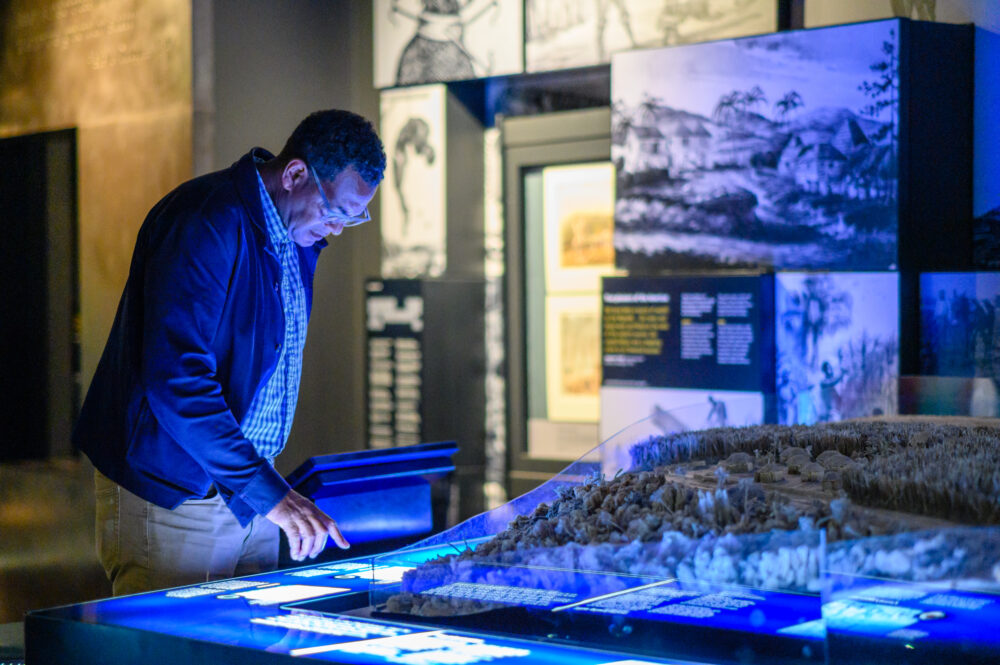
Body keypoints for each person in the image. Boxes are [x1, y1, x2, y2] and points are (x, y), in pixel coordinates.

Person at [73, 109, 386, 595]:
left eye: (353, 217)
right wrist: (272, 496)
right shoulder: (207, 219)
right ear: (296, 174)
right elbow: (176, 380)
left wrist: (264, 493)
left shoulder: (296, 237)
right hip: (175, 494)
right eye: (335, 212)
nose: (339, 229)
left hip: (247, 493)